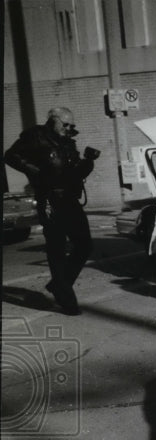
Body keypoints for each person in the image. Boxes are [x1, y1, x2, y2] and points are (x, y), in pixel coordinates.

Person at [5, 107, 96, 314]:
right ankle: (66, 297)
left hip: (70, 198)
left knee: (84, 244)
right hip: (49, 197)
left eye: (71, 125)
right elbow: (11, 156)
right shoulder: (36, 136)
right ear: (53, 120)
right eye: (65, 124)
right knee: (56, 246)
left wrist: (88, 163)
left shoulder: (67, 140)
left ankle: (58, 285)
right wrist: (36, 172)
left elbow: (71, 171)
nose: (69, 128)